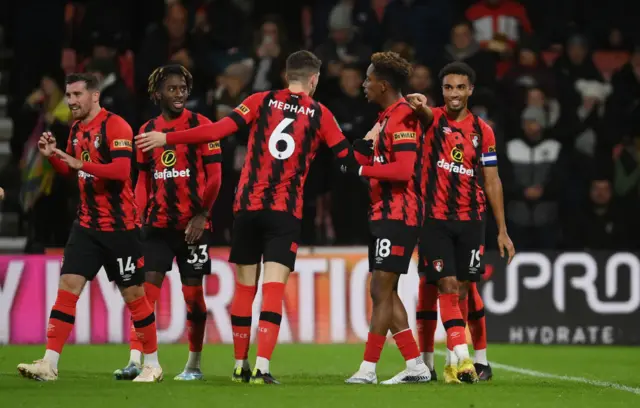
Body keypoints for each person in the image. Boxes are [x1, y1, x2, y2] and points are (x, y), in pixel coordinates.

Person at [135, 50, 361, 384]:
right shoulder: (321, 113)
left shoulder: (260, 100)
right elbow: (346, 160)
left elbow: (216, 131)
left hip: (247, 208)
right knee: (272, 289)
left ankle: (239, 365)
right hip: (284, 212)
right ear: (313, 80)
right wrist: (371, 150)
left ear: (287, 76)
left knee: (244, 288)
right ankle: (262, 368)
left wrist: (167, 137)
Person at [17, 73, 162, 382]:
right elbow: (72, 172)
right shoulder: (76, 129)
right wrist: (55, 156)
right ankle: (49, 363)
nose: (70, 101)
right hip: (86, 225)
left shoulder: (116, 126)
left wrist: (80, 164)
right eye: (68, 95)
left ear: (94, 96)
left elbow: (122, 171)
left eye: (77, 95)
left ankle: (152, 364)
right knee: (68, 287)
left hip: (120, 227)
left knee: (135, 295)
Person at [407, 61, 515, 384]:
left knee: (464, 290)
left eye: (460, 87)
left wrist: (503, 230)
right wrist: (420, 106)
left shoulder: (484, 131)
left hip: (471, 219)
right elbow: (424, 114)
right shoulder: (431, 120)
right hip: (434, 219)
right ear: (442, 91)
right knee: (446, 285)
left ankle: (458, 361)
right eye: (448, 87)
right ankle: (463, 360)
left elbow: (492, 181)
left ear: (470, 90)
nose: (454, 94)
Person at [113, 65, 222, 381]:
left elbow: (215, 177)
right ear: (157, 93)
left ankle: (194, 364)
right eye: (172, 88)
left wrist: (202, 215)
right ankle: (138, 359)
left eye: (183, 88)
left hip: (193, 229)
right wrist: (137, 217)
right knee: (145, 295)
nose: (179, 94)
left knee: (193, 297)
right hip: (157, 227)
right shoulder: (146, 131)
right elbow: (143, 181)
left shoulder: (202, 126)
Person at [344, 51, 430, 385]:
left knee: (380, 288)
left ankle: (368, 369)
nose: (364, 85)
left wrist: (364, 167)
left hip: (400, 212)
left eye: (367, 79)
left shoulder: (403, 117)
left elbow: (405, 170)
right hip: (383, 213)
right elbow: (358, 154)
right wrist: (360, 153)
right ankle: (415, 366)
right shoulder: (387, 117)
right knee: (385, 291)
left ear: (382, 85)